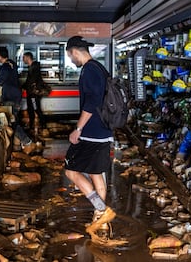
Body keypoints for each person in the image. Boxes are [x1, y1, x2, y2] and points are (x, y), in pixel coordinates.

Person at [64, 36, 115, 241]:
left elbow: (92, 102)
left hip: (92, 133)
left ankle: (101, 208)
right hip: (103, 131)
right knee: (96, 173)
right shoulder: (99, 68)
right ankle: (100, 217)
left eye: (70, 56)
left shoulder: (89, 70)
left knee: (71, 171)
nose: (71, 60)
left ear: (76, 51)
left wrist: (78, 128)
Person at [0, 47, 36, 155]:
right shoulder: (12, 63)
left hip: (10, 96)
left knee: (12, 122)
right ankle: (18, 144)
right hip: (16, 95)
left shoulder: (5, 66)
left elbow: (0, 80)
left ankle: (27, 141)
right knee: (15, 119)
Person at [22, 51, 46, 131]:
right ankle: (33, 126)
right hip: (31, 93)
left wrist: (24, 86)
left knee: (36, 109)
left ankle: (43, 126)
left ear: (28, 58)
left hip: (33, 94)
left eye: (24, 57)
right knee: (32, 110)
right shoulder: (32, 67)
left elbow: (31, 81)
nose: (23, 59)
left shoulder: (34, 68)